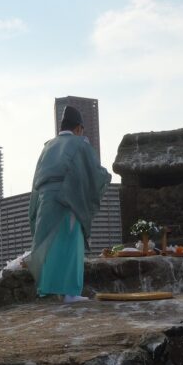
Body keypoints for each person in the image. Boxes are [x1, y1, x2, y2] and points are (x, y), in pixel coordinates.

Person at [27, 106, 111, 302]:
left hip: (45, 199)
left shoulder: (47, 146)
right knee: (71, 243)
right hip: (68, 197)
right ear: (79, 128)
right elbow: (94, 172)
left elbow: (36, 178)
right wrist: (106, 177)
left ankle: (49, 288)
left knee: (50, 245)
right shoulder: (80, 143)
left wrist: (35, 206)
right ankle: (70, 293)